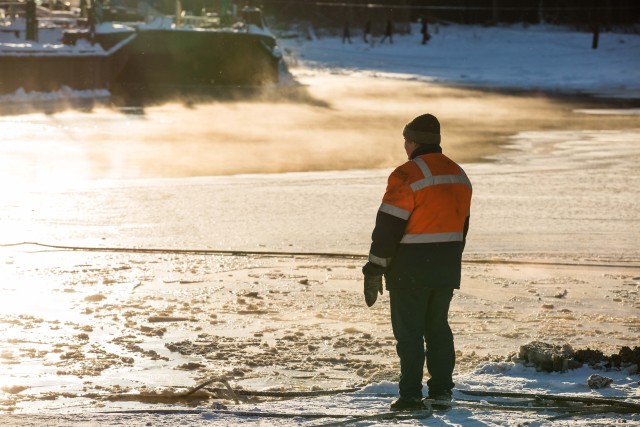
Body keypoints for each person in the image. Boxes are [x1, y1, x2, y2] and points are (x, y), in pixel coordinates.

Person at [362, 114, 472, 411]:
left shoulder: (407, 175)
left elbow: (388, 227)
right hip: (446, 267)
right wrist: (448, 261)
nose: (404, 146)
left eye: (405, 141)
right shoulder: (459, 174)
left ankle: (410, 395)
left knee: (409, 332)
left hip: (410, 268)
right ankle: (441, 392)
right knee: (437, 328)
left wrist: (374, 268)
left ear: (412, 142)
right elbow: (462, 228)